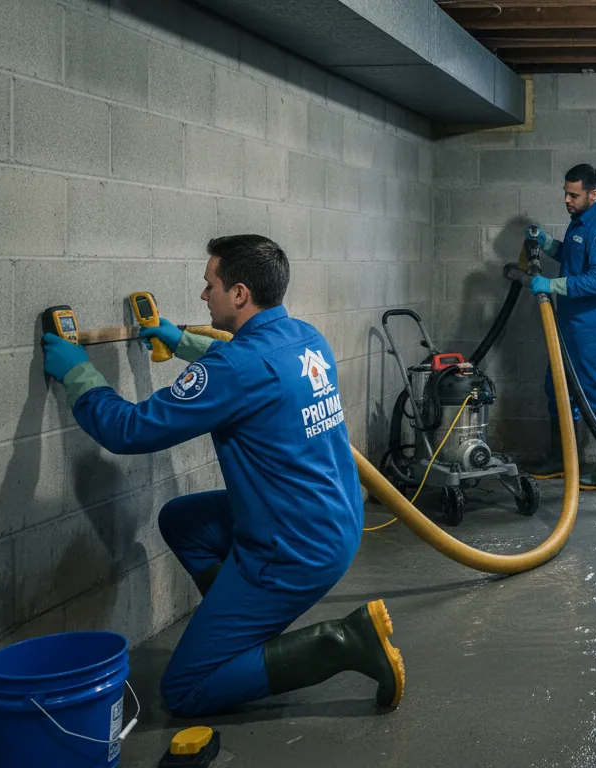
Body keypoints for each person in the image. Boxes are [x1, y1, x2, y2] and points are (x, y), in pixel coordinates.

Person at [40, 235, 404, 718]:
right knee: (181, 521)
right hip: (333, 520)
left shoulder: (236, 368)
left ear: (238, 294)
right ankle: (246, 631)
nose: (202, 295)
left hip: (292, 548)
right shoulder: (305, 337)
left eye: (209, 284)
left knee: (185, 690)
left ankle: (342, 641)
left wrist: (78, 373)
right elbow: (247, 368)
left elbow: (128, 429)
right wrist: (179, 341)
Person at [525, 164, 596, 491]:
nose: (566, 199)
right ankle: (560, 459)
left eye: (574, 194)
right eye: (565, 193)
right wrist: (548, 244)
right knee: (557, 388)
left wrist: (550, 286)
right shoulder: (580, 222)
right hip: (569, 324)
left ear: (593, 195)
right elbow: (574, 256)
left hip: (594, 326)